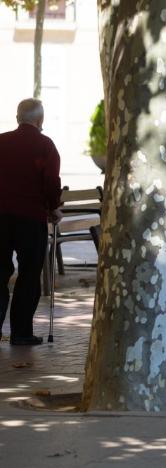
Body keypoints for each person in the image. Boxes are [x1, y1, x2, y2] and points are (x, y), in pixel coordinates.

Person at [0, 99, 62, 345]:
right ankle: (21, 333)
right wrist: (54, 208)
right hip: (30, 218)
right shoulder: (45, 145)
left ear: (17, 118)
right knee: (28, 275)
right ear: (40, 121)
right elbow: (50, 183)